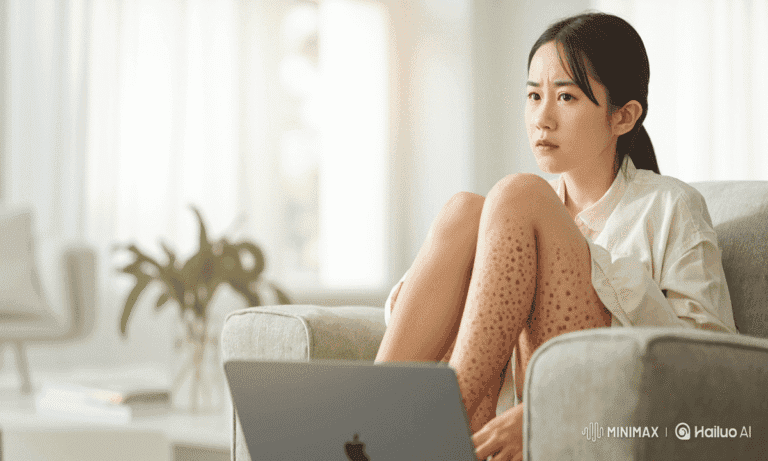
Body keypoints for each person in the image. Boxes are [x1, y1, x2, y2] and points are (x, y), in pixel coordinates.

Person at [374, 11, 738, 461]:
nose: (541, 118)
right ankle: (367, 423)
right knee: (464, 210)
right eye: (533, 95)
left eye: (566, 97)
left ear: (622, 117)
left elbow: (717, 367)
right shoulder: (516, 213)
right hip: (492, 428)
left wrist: (553, 410)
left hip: (588, 418)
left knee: (516, 193)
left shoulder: (670, 206)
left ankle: (420, 436)